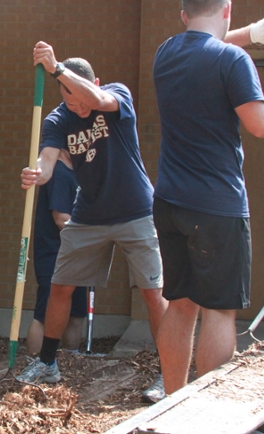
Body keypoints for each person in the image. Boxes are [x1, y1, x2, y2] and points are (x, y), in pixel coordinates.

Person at [152, 0, 264, 395]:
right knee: (219, 312)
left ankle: (172, 402)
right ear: (228, 9)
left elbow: (205, 44)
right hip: (217, 206)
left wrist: (253, 34)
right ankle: (208, 415)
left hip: (168, 201)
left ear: (184, 14)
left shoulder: (166, 53)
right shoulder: (232, 60)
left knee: (180, 305)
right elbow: (259, 125)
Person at [18, 45, 168, 386]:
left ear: (94, 83)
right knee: (59, 287)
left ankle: (168, 370)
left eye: (81, 99)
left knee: (152, 292)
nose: (78, 107)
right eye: (70, 102)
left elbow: (99, 101)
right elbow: (47, 161)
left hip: (136, 209)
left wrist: (56, 68)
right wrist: (36, 174)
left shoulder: (116, 94)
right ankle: (47, 363)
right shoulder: (58, 118)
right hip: (88, 214)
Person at [26, 148, 85, 356]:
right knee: (45, 314)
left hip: (76, 254)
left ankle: (72, 362)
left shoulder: (77, 171)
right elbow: (61, 219)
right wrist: (91, 238)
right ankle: (34, 363)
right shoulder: (58, 173)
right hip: (54, 254)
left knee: (77, 313)